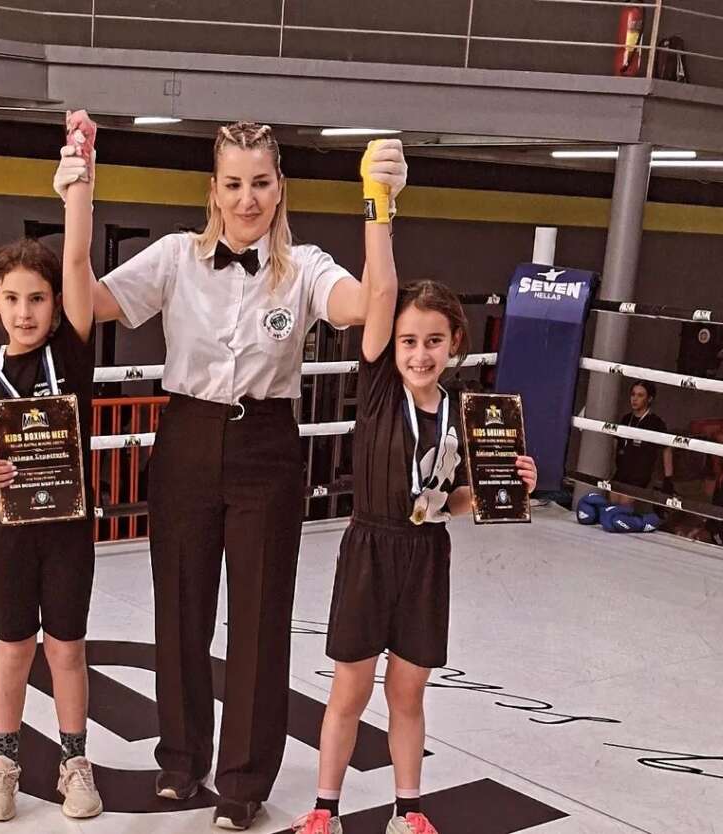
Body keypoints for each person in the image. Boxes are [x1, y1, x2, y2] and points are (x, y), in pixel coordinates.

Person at [53, 121, 408, 830]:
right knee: (180, 607)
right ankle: (182, 760)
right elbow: (83, 304)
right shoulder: (175, 257)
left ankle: (243, 780)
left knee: (260, 616)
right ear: (213, 190)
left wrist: (380, 207)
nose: (248, 199)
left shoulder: (306, 266)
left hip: (267, 446)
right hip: (186, 437)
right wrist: (77, 199)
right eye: (235, 184)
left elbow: (373, 312)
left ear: (281, 189)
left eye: (261, 183)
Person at [290, 144, 537, 834]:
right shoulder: (377, 389)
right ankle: (325, 808)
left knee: (408, 693)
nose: (419, 353)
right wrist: (380, 206)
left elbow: (451, 499)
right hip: (369, 548)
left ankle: (409, 809)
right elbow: (382, 286)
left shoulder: (465, 413)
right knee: (349, 689)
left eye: (432, 341)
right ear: (390, 345)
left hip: (426, 555)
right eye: (407, 341)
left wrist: (499, 490)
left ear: (454, 342)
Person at [0, 111, 101, 822]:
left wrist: (79, 180)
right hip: (9, 536)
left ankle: (75, 762)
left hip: (68, 532)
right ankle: (3, 761)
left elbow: (76, 260)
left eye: (37, 298)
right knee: (12, 649)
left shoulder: (72, 354)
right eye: (11, 299)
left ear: (55, 304)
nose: (25, 311)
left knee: (67, 649)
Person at [612, 380, 675, 498]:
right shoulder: (626, 419)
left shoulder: (656, 423)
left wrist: (668, 478)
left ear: (649, 399)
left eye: (640, 395)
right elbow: (616, 442)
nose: (635, 399)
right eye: (633, 394)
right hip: (621, 471)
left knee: (625, 502)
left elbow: (666, 448)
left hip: (640, 474)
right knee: (613, 501)